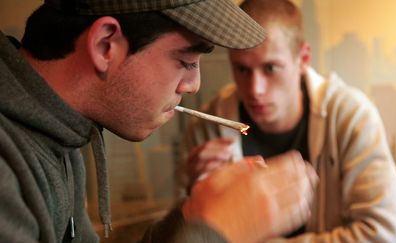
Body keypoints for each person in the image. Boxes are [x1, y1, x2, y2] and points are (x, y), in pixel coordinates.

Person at [0, 0, 320, 242]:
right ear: (105, 45)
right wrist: (219, 231)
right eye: (185, 60)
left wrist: (193, 215)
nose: (193, 84)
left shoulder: (63, 132)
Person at [177, 0, 396, 242]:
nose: (255, 89)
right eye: (242, 70)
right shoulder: (207, 129)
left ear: (303, 59)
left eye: (271, 68)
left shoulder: (351, 119)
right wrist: (194, 196)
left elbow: (387, 236)